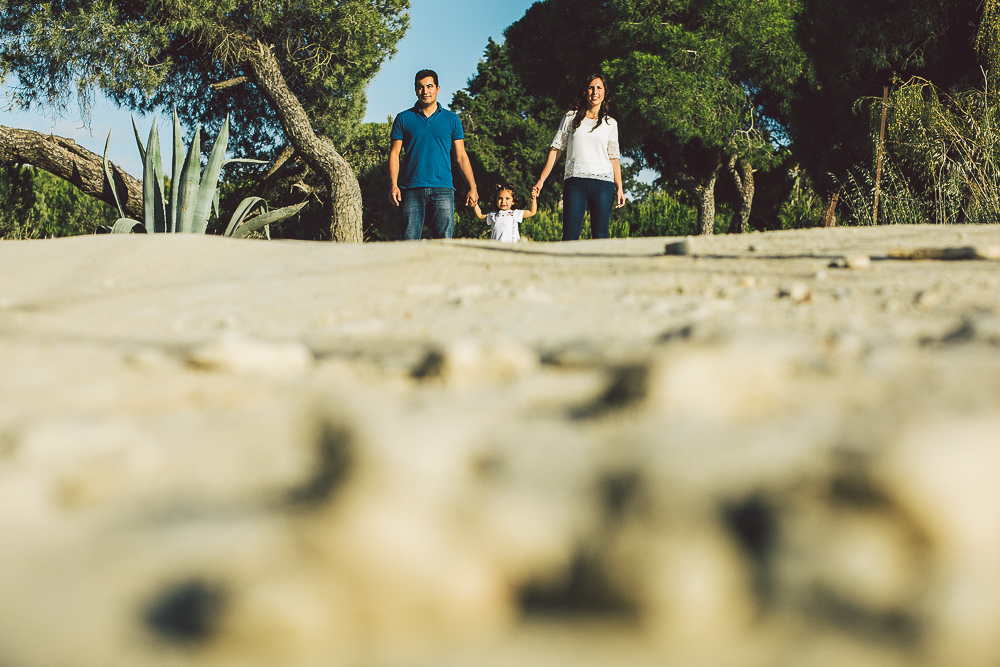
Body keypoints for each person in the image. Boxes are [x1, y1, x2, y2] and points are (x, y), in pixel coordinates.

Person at [532, 74, 625, 240]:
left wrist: (619, 187)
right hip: (575, 182)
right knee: (570, 235)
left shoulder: (611, 123)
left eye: (599, 88)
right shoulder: (570, 117)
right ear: (585, 91)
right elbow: (556, 149)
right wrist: (541, 180)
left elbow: (614, 158)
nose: (594, 91)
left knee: (601, 235)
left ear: (604, 93)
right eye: (591, 87)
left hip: (603, 185)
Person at [389, 69, 479, 240]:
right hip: (411, 188)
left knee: (444, 242)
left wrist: (472, 187)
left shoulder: (452, 119)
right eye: (420, 87)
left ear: (437, 88)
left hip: (443, 188)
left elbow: (460, 156)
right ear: (416, 90)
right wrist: (394, 185)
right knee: (409, 242)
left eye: (429, 86)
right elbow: (394, 154)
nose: (425, 91)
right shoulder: (403, 118)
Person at [473, 183, 538, 243]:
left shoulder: (515, 213)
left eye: (507, 198)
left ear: (513, 201)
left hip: (512, 247)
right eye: (500, 198)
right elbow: (481, 216)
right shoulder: (493, 215)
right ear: (496, 200)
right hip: (496, 248)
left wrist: (533, 199)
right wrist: (475, 205)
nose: (503, 201)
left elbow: (531, 212)